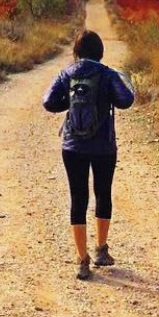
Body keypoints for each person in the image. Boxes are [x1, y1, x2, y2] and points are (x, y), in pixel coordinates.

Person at [42, 29, 135, 280]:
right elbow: (126, 100)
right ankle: (101, 250)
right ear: (100, 52)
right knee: (103, 194)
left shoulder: (66, 73)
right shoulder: (107, 74)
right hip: (104, 146)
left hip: (73, 147)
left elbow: (48, 102)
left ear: (77, 51)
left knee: (78, 198)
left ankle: (82, 260)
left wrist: (70, 104)